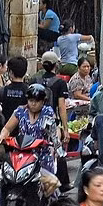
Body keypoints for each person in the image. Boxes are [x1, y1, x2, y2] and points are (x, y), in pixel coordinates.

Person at [0, 83, 59, 206]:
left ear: (43, 101)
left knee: (50, 185)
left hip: (42, 153)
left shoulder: (48, 112)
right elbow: (8, 128)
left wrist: (53, 143)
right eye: (31, 100)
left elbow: (54, 133)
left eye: (37, 101)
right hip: (22, 152)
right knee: (5, 180)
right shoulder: (20, 112)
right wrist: (2, 136)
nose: (33, 103)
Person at [35, 52, 71, 189]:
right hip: (51, 122)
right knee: (57, 149)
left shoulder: (34, 79)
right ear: (56, 65)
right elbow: (61, 107)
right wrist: (65, 128)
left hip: (35, 120)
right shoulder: (60, 82)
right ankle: (63, 183)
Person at [0, 57, 31, 125]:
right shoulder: (29, 91)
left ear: (10, 72)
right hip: (24, 129)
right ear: (25, 71)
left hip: (5, 130)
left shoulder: (2, 91)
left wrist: (1, 112)